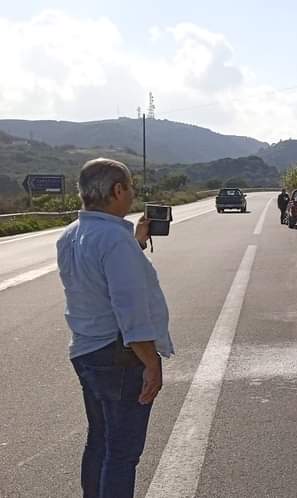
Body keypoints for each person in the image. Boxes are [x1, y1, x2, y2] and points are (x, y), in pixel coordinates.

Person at [57, 158, 173, 498]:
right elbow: (129, 307)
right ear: (117, 190)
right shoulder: (114, 241)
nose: (132, 193)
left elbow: (97, 281)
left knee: (100, 442)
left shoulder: (70, 236)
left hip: (86, 350)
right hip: (120, 356)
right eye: (130, 187)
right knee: (122, 454)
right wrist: (151, 362)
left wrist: (136, 243)